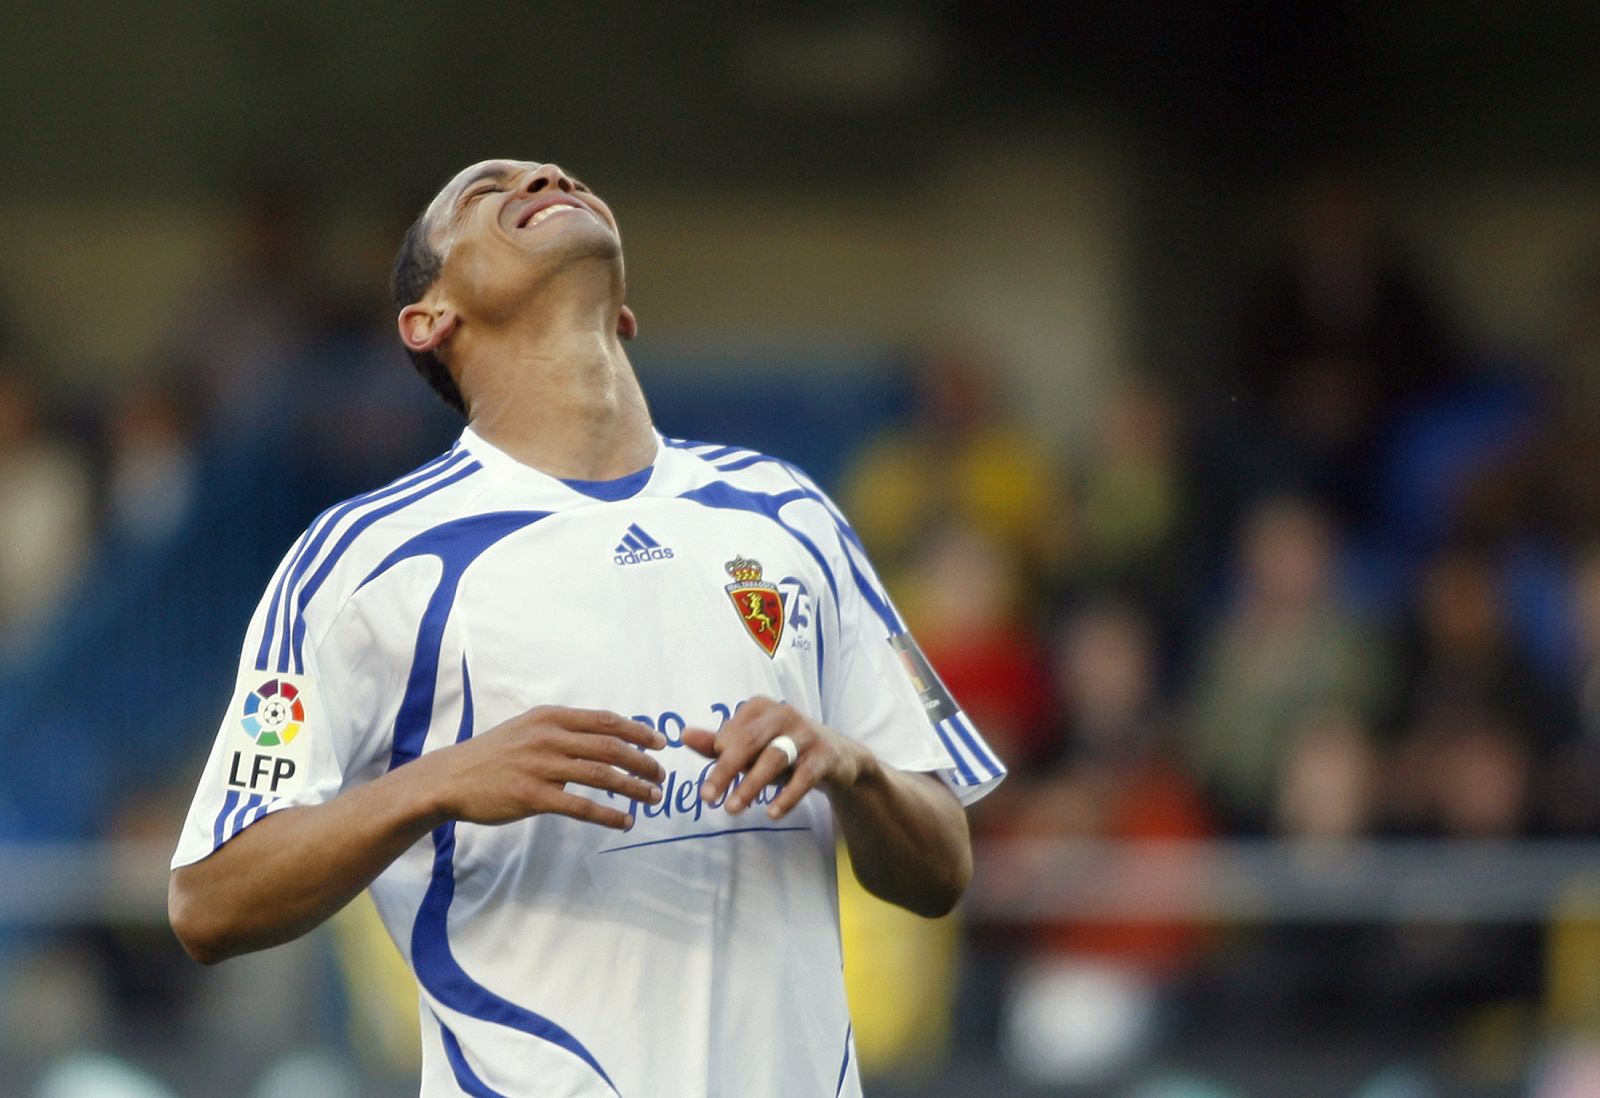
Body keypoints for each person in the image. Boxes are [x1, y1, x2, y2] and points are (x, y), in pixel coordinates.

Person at [167, 159, 1005, 1097]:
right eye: (488, 193)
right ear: (429, 318)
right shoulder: (367, 561)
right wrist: (439, 782)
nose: (541, 175)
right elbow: (208, 900)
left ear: (624, 311)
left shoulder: (788, 513)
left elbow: (941, 867)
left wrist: (852, 765)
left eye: (557, 177)